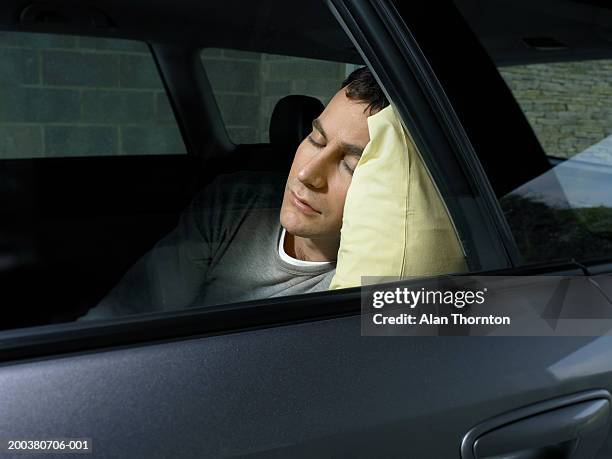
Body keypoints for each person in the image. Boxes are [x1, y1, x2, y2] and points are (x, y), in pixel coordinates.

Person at [80, 67, 389, 320]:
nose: (307, 175)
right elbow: (126, 314)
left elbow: (435, 319)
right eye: (316, 139)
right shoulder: (236, 201)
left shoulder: (383, 278)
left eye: (350, 165)